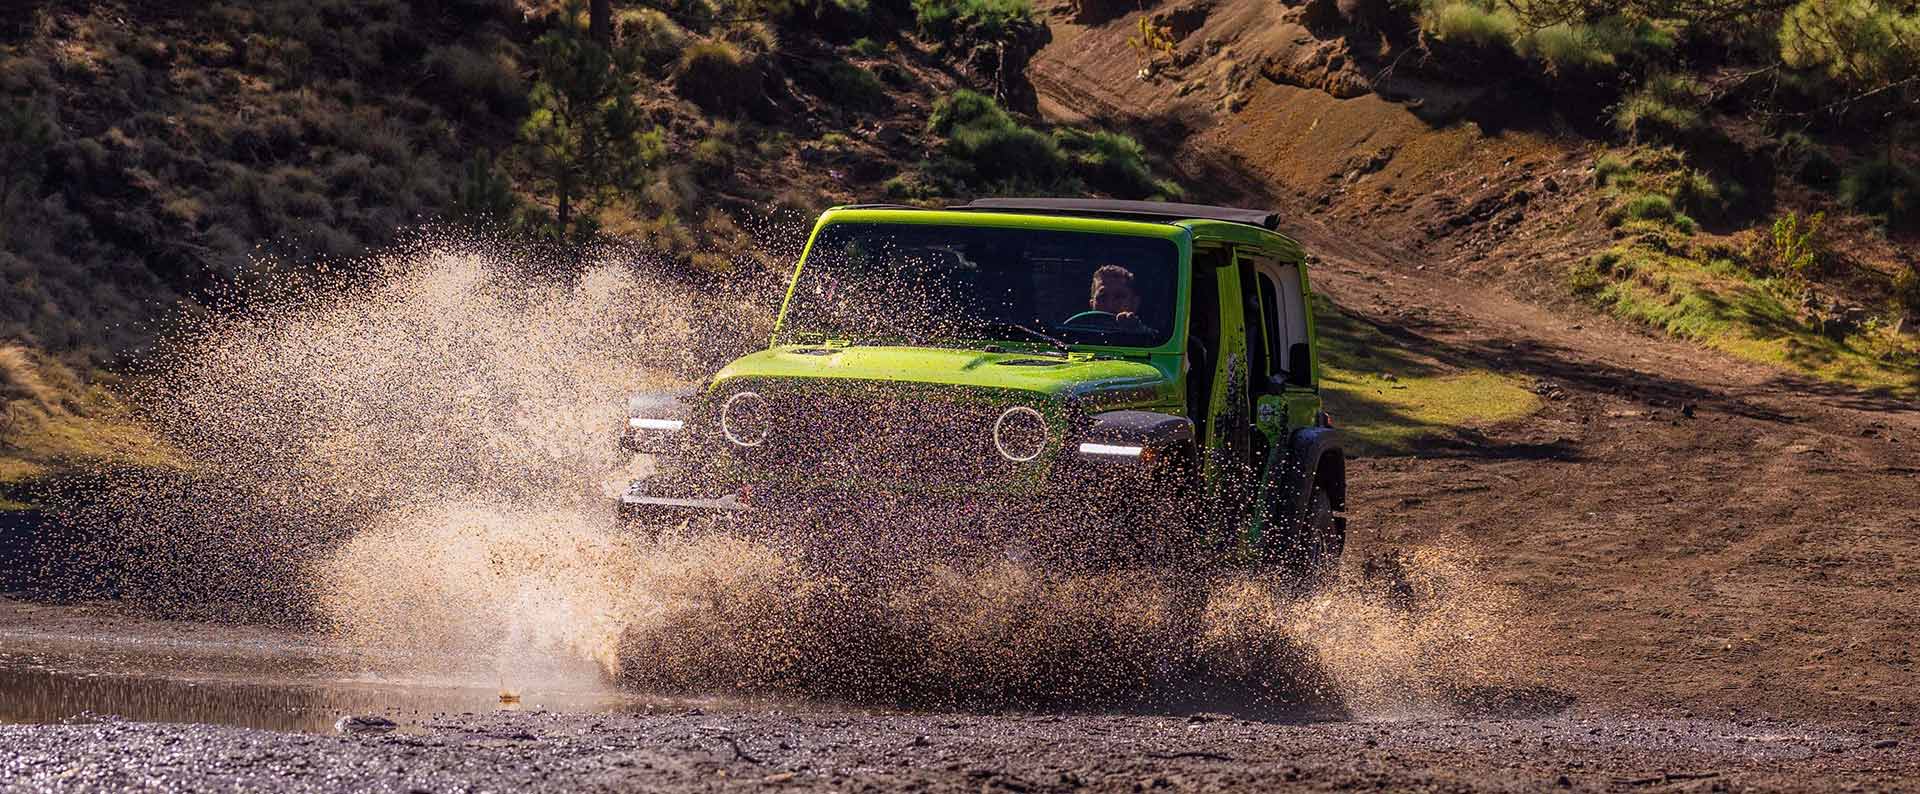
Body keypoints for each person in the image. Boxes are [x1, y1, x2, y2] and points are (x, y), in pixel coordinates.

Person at [1088, 264, 1145, 329]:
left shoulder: (1147, 337)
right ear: (1092, 304)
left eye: (1119, 297)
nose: (1110, 304)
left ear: (1134, 303)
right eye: (1103, 296)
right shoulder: (1077, 334)